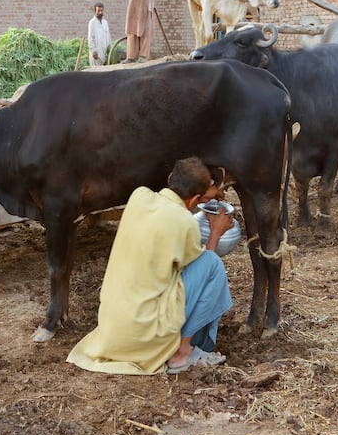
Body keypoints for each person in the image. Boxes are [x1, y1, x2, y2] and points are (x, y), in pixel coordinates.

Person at [67, 157, 234, 375]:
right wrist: (215, 233)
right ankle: (181, 353)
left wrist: (205, 190)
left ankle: (179, 347)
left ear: (170, 178)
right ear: (195, 201)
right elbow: (204, 272)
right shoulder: (185, 223)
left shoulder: (139, 197)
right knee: (212, 264)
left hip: (112, 332)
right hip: (145, 335)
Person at [87, 2, 112, 66]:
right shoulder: (92, 23)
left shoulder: (105, 22)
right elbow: (90, 38)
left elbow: (108, 36)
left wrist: (110, 48)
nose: (100, 12)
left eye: (101, 11)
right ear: (95, 11)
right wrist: (93, 50)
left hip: (104, 53)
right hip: (96, 55)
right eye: (98, 11)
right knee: (95, 74)